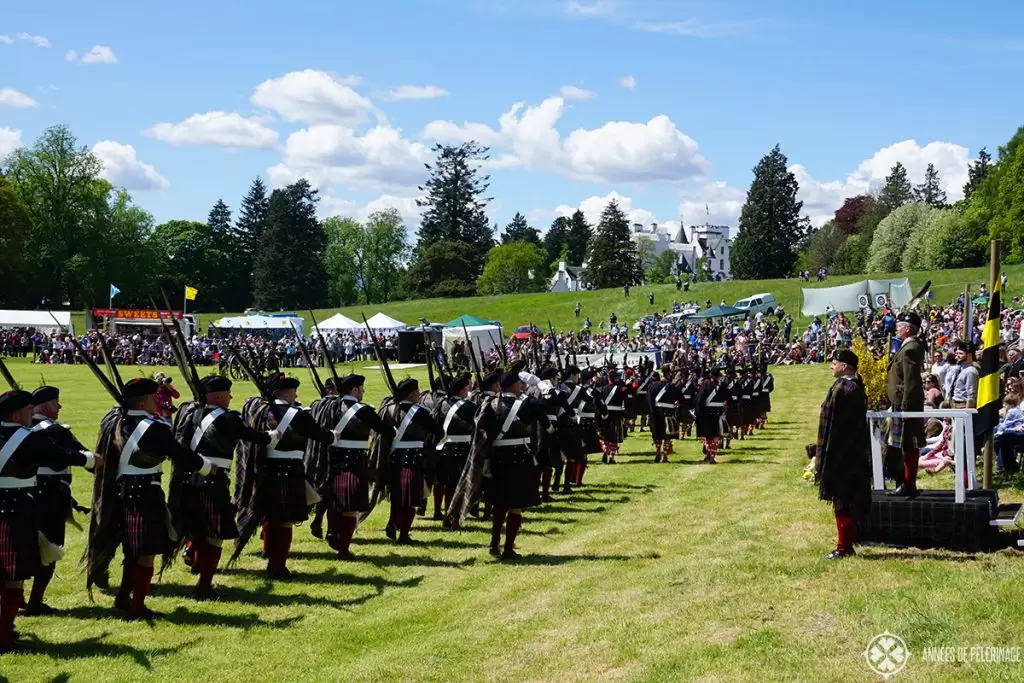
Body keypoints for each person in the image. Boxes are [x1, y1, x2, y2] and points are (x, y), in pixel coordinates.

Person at [86, 378, 210, 619]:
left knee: (132, 550)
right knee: (145, 551)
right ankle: (138, 605)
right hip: (144, 492)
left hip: (118, 491)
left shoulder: (115, 421)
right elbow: (178, 454)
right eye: (154, 398)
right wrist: (206, 466)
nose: (157, 401)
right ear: (143, 402)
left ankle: (124, 596)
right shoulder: (154, 427)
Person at [1, 389, 99, 652]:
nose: (30, 415)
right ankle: (4, 635)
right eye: (26, 410)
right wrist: (89, 459)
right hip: (15, 510)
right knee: (13, 576)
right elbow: (61, 455)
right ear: (15, 414)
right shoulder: (27, 438)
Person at [172, 375, 278, 599]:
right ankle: (205, 586)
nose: (230, 397)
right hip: (214, 480)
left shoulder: (191, 414)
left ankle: (195, 557)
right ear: (218, 395)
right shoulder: (228, 419)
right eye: (227, 393)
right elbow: (251, 436)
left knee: (197, 527)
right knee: (214, 534)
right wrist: (271, 436)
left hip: (188, 479)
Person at [231, 372, 341, 579]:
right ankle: (278, 565)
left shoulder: (260, 411)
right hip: (289, 470)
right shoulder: (296, 414)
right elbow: (318, 434)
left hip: (265, 470)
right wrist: (333, 437)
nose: (295, 393)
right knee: (284, 521)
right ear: (286, 391)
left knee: (270, 516)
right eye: (293, 389)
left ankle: (269, 552)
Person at [306, 373, 391, 559]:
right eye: (361, 389)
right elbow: (386, 430)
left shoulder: (329, 407)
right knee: (351, 508)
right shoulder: (364, 410)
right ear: (355, 389)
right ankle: (343, 548)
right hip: (355, 462)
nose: (363, 392)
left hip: (332, 461)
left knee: (335, 504)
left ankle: (332, 533)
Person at [25, 386, 93, 615]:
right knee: (49, 549)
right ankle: (35, 601)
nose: (60, 407)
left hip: (23, 496)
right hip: (51, 496)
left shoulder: (21, 429)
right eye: (56, 403)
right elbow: (82, 455)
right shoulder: (55, 431)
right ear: (45, 407)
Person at [815, 350, 871, 559]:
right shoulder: (850, 386)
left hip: (843, 452)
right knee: (842, 499)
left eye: (835, 362)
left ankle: (844, 546)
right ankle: (844, 544)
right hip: (846, 451)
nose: (831, 365)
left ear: (845, 366)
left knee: (843, 499)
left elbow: (837, 426)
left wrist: (827, 454)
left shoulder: (846, 388)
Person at [373, 378, 442, 544]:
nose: (419, 395)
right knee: (411, 497)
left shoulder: (389, 410)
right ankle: (404, 534)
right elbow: (436, 431)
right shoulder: (421, 412)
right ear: (411, 394)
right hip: (413, 457)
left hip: (393, 456)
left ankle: (392, 522)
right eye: (417, 393)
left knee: (396, 494)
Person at [886, 311, 926, 496]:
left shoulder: (910, 348)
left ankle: (908, 483)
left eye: (900, 326)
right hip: (901, 402)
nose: (897, 328)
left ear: (908, 329)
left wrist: (906, 407)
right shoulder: (907, 346)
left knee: (909, 444)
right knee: (904, 445)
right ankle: (905, 482)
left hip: (905, 404)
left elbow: (911, 381)